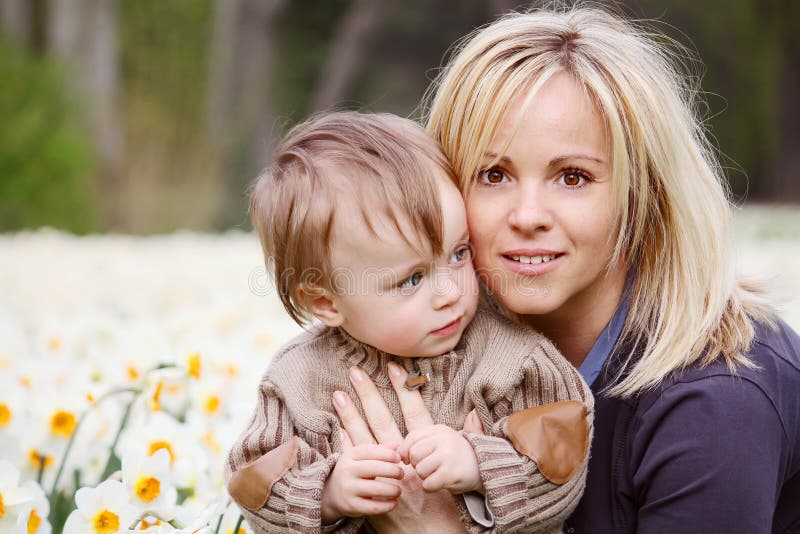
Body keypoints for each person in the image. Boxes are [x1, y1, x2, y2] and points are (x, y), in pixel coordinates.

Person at [331, 5, 800, 533]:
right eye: (493, 174)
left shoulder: (719, 404)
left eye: (573, 177)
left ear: (641, 194)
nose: (528, 216)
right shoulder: (425, 352)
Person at [225, 111, 594, 533]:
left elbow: (564, 460)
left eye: (459, 253)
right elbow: (252, 482)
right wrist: (327, 495)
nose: (450, 292)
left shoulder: (516, 359)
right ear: (325, 300)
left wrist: (479, 465)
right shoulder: (299, 379)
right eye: (413, 278)